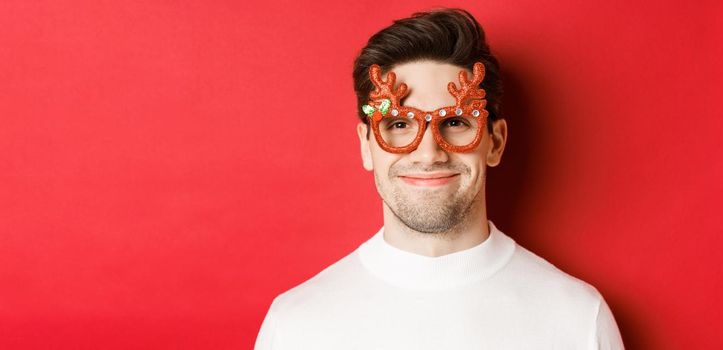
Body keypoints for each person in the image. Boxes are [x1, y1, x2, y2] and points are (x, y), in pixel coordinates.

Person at [254, 8, 625, 350]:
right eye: (399, 125)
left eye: (455, 123)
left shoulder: (577, 319)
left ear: (494, 143)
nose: (429, 154)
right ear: (367, 146)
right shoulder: (295, 327)